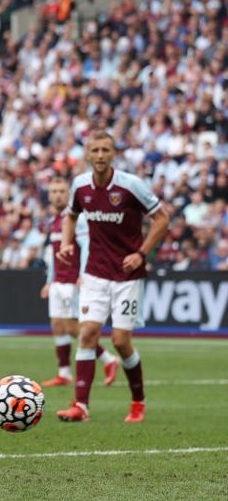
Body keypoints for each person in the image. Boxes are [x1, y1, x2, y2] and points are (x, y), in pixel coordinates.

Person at [55, 131, 170, 423]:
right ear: (88, 155)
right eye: (95, 150)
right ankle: (80, 406)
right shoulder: (80, 186)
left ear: (113, 153)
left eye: (105, 149)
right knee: (88, 333)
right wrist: (67, 244)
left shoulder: (131, 186)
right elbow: (70, 215)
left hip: (127, 275)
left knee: (120, 340)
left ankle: (137, 401)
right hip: (94, 273)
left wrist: (142, 253)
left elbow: (162, 218)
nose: (100, 155)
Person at [40, 176, 119, 387]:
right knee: (57, 325)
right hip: (58, 281)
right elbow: (54, 254)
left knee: (74, 328)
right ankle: (64, 373)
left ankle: (109, 360)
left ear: (69, 194)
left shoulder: (78, 219)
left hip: (73, 281)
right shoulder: (54, 221)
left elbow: (86, 247)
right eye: (54, 191)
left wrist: (83, 274)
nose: (57, 194)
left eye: (61, 191)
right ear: (49, 195)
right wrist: (49, 281)